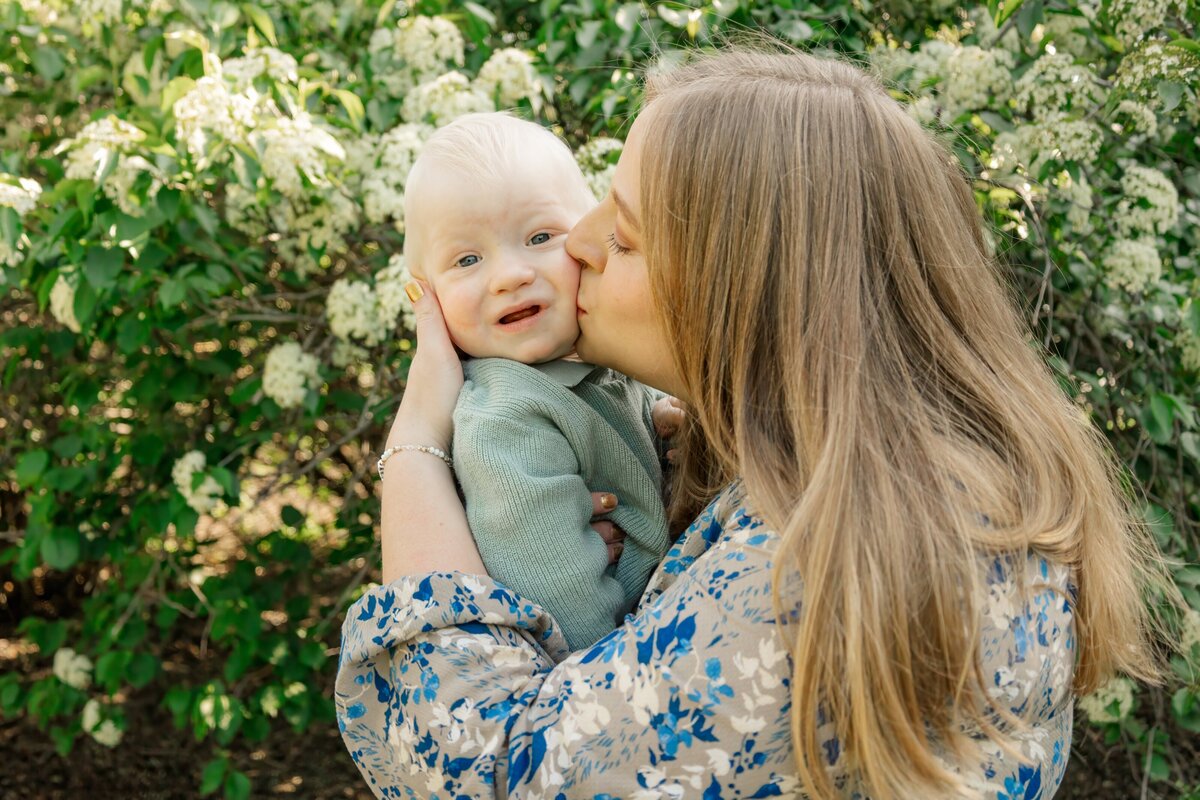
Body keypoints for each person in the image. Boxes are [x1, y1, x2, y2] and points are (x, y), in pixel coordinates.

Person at [336, 47, 1168, 799]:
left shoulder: (808, 570)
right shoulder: (951, 489)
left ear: (741, 294)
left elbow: (485, 770)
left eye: (621, 237)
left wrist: (416, 449)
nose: (574, 247)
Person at [394, 112, 675, 652]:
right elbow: (568, 607)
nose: (510, 275)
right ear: (426, 294)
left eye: (541, 236)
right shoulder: (504, 418)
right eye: (467, 259)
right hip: (613, 672)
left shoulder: (597, 359)